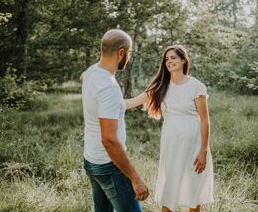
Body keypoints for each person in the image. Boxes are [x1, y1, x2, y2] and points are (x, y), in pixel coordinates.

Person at [125, 45, 214, 212]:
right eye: (166, 59)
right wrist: (105, 98)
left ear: (183, 60)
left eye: (173, 57)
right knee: (171, 187)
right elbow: (131, 102)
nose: (169, 61)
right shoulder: (160, 86)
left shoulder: (196, 86)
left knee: (194, 189)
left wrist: (203, 151)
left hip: (194, 144)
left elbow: (205, 121)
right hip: (171, 143)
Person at [81, 29, 149, 212]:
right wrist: (136, 178)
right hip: (110, 166)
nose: (129, 57)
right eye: (129, 53)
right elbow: (109, 140)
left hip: (91, 161)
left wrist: (144, 97)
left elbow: (112, 107)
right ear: (121, 53)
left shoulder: (90, 74)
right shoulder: (108, 87)